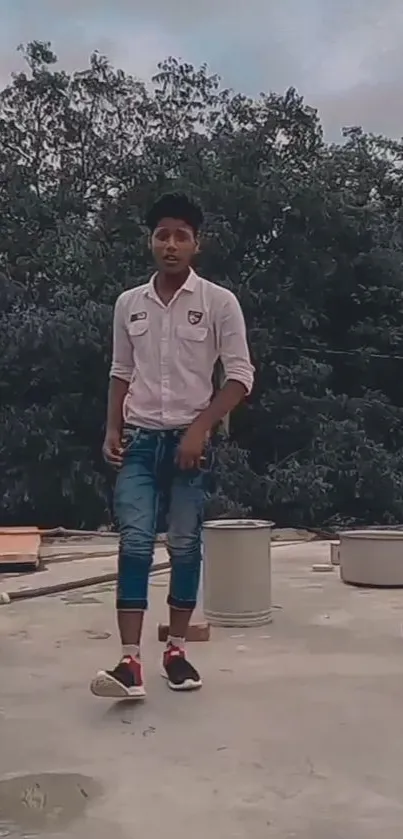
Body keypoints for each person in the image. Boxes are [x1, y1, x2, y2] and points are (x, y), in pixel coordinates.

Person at [90, 192, 254, 700]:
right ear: (151, 240)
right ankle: (129, 662)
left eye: (181, 235)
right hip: (139, 441)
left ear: (196, 244)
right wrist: (112, 429)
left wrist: (200, 429)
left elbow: (241, 376)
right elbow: (121, 372)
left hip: (190, 446)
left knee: (184, 545)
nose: (171, 244)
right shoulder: (129, 305)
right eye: (162, 234)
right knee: (134, 542)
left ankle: (176, 651)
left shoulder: (218, 303)